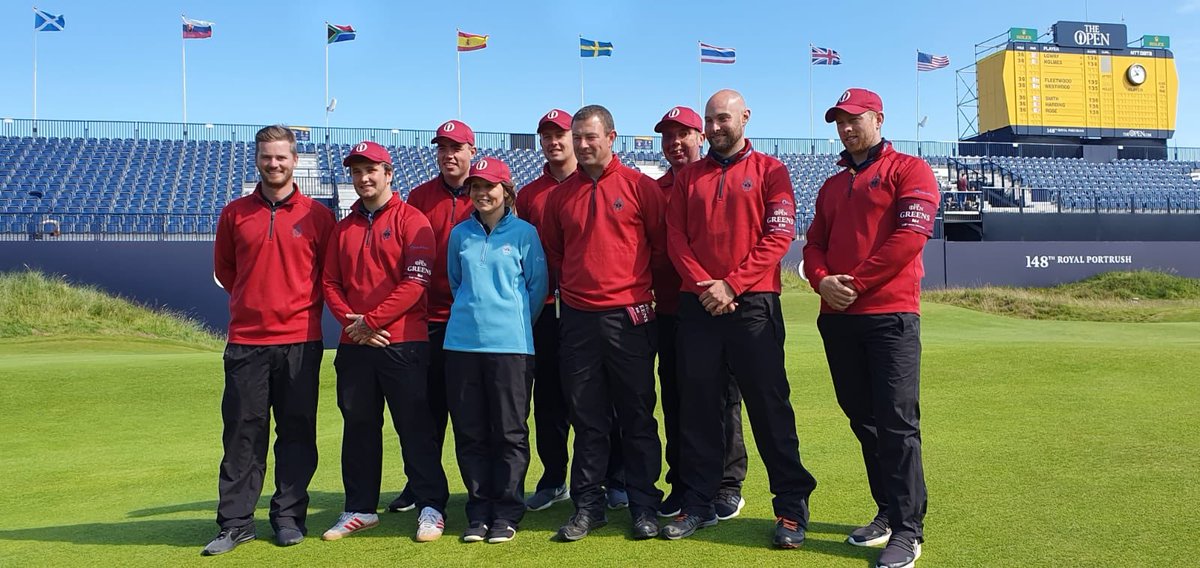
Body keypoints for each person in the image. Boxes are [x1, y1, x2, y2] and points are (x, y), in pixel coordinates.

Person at [662, 90, 817, 549]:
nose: (714, 127)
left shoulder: (771, 170)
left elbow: (779, 236)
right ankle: (700, 501)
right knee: (698, 410)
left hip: (753, 305)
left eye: (723, 118)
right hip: (700, 305)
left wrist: (732, 284)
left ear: (745, 117)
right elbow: (676, 240)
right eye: (709, 120)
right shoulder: (690, 178)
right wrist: (708, 285)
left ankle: (791, 508)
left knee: (770, 409)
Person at [803, 87, 939, 568]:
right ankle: (887, 510)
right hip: (838, 319)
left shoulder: (910, 170)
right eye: (839, 121)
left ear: (878, 119)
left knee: (898, 424)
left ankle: (908, 529)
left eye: (854, 118)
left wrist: (855, 283)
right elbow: (812, 244)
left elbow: (909, 237)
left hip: (891, 316)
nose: (846, 127)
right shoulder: (831, 185)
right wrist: (822, 281)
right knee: (864, 421)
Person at [204, 125, 336, 556]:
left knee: (296, 433)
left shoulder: (318, 217)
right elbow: (226, 270)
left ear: (295, 160)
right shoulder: (234, 214)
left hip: (300, 340)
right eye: (266, 156)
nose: (274, 163)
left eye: (281, 156)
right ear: (257, 159)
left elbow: (325, 276)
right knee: (242, 434)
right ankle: (237, 523)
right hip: (246, 342)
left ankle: (288, 517)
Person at [540, 105, 666, 542]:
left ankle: (644, 505)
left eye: (591, 137)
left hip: (628, 319)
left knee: (636, 416)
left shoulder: (640, 188)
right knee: (587, 419)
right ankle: (588, 507)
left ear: (612, 137)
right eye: (578, 138)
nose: (583, 145)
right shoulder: (559, 198)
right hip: (577, 320)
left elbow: (659, 248)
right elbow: (558, 255)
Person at [319, 141, 449, 543]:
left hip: (404, 342)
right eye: (357, 172)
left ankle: (431, 506)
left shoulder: (414, 221)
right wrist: (355, 325)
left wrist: (370, 322)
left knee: (415, 427)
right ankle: (359, 508)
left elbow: (415, 283)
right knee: (358, 426)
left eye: (371, 170)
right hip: (355, 346)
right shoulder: (343, 228)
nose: (364, 178)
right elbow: (330, 283)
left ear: (389, 173)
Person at [517, 109, 626, 512]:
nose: (554, 142)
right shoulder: (530, 194)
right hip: (546, 308)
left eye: (559, 134)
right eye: (545, 136)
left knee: (603, 395)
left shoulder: (596, 181)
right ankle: (553, 476)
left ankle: (616, 476)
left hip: (591, 307)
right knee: (548, 398)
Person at [651, 105, 748, 520]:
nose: (675, 144)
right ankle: (685, 480)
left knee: (724, 399)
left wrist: (720, 289)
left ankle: (728, 483)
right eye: (668, 137)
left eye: (684, 135)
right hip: (670, 310)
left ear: (701, 136)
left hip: (719, 303)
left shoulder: (713, 177)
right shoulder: (655, 189)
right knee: (676, 399)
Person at [444, 157, 549, 544]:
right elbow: (457, 284)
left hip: (512, 347)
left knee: (509, 432)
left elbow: (537, 289)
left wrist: (509, 320)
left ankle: (506, 511)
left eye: (489, 187)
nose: (482, 194)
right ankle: (478, 510)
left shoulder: (525, 234)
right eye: (476, 188)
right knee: (470, 431)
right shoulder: (459, 235)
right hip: (461, 345)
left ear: (506, 191)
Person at [390, 119, 476, 539]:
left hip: (472, 325)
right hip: (427, 321)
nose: (449, 154)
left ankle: (481, 490)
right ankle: (422, 485)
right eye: (442, 148)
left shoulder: (488, 192)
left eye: (456, 147)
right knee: (424, 414)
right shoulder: (420, 196)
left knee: (469, 413)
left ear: (470, 150)